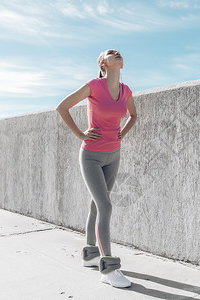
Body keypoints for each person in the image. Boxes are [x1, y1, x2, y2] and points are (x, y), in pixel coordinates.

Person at [56, 49, 137, 288]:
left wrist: (123, 132)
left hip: (114, 154)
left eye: (119, 52)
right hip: (91, 155)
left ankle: (90, 254)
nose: (117, 54)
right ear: (102, 63)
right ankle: (109, 268)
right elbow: (62, 107)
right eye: (111, 53)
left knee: (96, 206)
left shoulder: (126, 91)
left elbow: (133, 115)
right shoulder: (93, 85)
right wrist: (81, 134)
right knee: (105, 206)